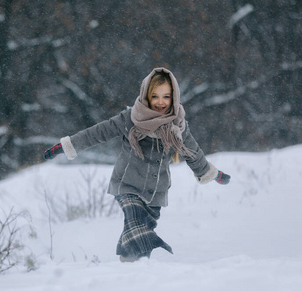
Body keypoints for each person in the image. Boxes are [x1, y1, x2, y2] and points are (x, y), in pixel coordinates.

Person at [43, 67, 231, 262]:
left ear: (174, 97)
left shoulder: (178, 126)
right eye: (155, 96)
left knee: (138, 234)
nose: (160, 102)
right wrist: (66, 146)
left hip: (155, 192)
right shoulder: (131, 118)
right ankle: (151, 256)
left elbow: (193, 153)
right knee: (135, 219)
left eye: (166, 97)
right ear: (146, 95)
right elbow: (98, 133)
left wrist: (211, 174)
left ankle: (133, 269)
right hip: (127, 185)